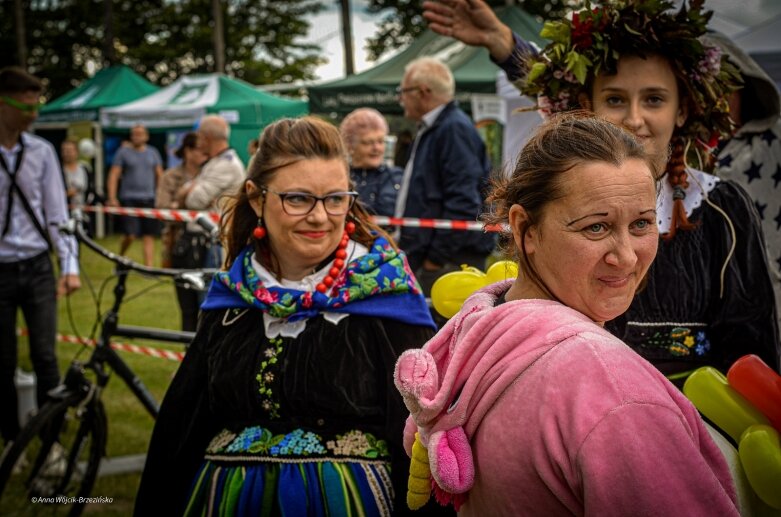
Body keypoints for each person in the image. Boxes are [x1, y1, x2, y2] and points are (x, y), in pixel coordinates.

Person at [395, 113, 739, 515]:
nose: (626, 256)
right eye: (596, 227)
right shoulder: (615, 393)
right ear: (525, 229)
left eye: (643, 223)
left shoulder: (475, 331)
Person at [423, 0, 780, 378]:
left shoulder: (719, 206)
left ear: (682, 109)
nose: (634, 118)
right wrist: (504, 44)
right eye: (614, 99)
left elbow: (752, 355)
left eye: (654, 99)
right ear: (585, 107)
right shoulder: (561, 198)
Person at [135, 116, 446, 516]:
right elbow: (180, 430)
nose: (319, 217)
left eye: (335, 198)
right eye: (298, 198)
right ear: (256, 197)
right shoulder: (233, 298)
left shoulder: (387, 297)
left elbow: (423, 440)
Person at [0, 67, 81, 446]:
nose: (32, 114)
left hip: (36, 266)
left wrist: (69, 266)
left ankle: (52, 444)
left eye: (38, 106)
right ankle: (12, 441)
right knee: (3, 362)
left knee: (46, 357)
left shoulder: (42, 152)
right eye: (23, 105)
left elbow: (56, 215)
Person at [396, 57, 495, 294]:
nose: (400, 99)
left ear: (423, 92)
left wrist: (436, 260)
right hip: (438, 257)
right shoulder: (437, 127)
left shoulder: (452, 129)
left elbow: (463, 200)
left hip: (449, 262)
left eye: (403, 91)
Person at [703, 31, 781, 328]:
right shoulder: (676, 156)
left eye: (726, 88)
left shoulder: (775, 141)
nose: (717, 101)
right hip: (713, 312)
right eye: (707, 90)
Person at [177, 114, 245, 270]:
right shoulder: (216, 162)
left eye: (199, 137)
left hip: (215, 242)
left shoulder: (226, 165)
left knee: (207, 292)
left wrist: (190, 189)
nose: (198, 142)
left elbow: (194, 201)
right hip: (206, 240)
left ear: (206, 138)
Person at [155, 132, 207, 331]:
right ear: (188, 151)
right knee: (187, 305)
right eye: (200, 150)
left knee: (207, 304)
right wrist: (185, 203)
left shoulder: (209, 174)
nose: (205, 154)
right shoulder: (170, 176)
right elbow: (162, 210)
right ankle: (188, 350)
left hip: (208, 246)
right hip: (179, 246)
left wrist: (180, 203)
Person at [106, 124, 163, 267]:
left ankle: (148, 268)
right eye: (134, 134)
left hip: (149, 198)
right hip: (129, 198)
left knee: (148, 235)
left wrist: (161, 196)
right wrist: (112, 197)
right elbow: (114, 175)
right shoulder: (123, 152)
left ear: (146, 136)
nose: (137, 137)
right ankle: (120, 258)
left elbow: (160, 175)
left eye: (140, 134)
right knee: (130, 234)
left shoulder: (153, 152)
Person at [339, 107, 402, 216]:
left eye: (381, 141)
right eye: (368, 142)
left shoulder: (398, 177)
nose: (376, 148)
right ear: (349, 145)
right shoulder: (340, 177)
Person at [60, 139, 88, 209]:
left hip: (83, 211)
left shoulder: (84, 168)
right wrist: (67, 194)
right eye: (64, 150)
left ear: (77, 152)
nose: (67, 153)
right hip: (65, 210)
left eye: (69, 150)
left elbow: (91, 189)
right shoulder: (58, 171)